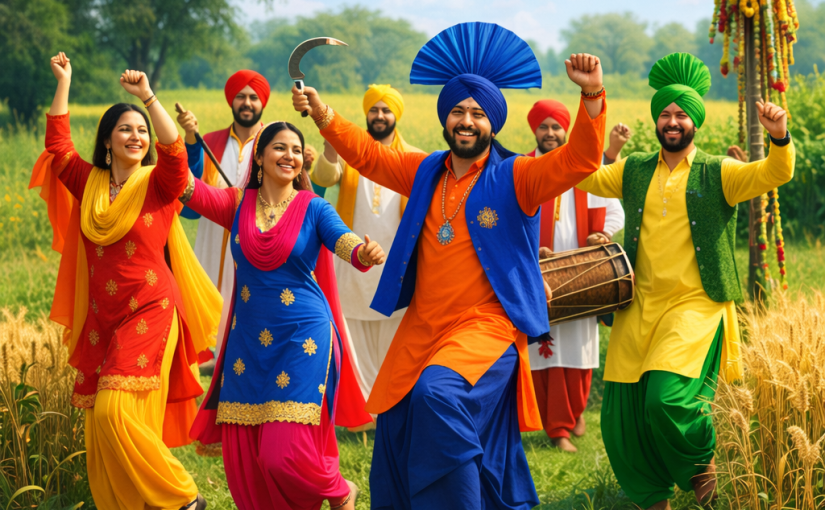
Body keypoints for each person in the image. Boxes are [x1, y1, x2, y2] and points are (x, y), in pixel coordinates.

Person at [294, 22, 607, 509]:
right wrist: (324, 114)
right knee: (395, 415)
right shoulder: (424, 170)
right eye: (458, 111)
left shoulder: (516, 176)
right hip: (424, 324)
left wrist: (591, 97)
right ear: (445, 118)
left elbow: (580, 160)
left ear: (493, 124)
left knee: (436, 397)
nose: (466, 121)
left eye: (478, 114)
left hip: (484, 326)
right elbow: (369, 156)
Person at [576, 52, 794, 509]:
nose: (672, 121)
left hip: (695, 305)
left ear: (694, 122)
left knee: (667, 400)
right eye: (665, 114)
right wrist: (592, 100)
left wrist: (779, 137)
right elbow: (585, 175)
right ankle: (656, 501)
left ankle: (704, 472)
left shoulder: (720, 172)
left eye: (681, 114)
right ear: (656, 120)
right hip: (638, 305)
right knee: (624, 416)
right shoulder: (634, 168)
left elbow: (775, 173)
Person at [31, 52, 222, 510]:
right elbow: (58, 147)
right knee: (101, 424)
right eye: (125, 129)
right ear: (108, 140)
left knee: (117, 410)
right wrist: (65, 81)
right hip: (104, 319)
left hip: (152, 309)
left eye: (142, 130)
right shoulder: (90, 183)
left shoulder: (158, 183)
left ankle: (183, 498)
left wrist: (147, 98)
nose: (136, 136)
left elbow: (176, 152)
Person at [186, 121, 384, 510]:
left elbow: (344, 243)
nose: (289, 156)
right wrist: (153, 106)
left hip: (303, 337)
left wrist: (364, 253)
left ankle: (340, 492)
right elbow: (185, 188)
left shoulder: (314, 207)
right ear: (259, 157)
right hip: (249, 343)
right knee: (251, 459)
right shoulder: (236, 204)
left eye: (296, 149)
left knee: (281, 454)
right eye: (279, 147)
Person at [524, 100, 628, 453]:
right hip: (538, 275)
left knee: (579, 352)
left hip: (582, 273)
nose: (550, 133)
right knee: (543, 350)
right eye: (544, 127)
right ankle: (558, 428)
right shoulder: (522, 168)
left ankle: (572, 413)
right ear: (534, 130)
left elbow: (615, 210)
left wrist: (604, 234)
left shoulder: (586, 165)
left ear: (565, 130)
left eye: (556, 127)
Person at [310, 84, 423, 406]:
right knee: (353, 333)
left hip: (396, 263)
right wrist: (332, 145)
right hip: (352, 262)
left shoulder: (414, 157)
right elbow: (323, 177)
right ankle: (360, 410)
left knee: (393, 335)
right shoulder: (350, 155)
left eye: (386, 110)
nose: (379, 115)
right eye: (374, 109)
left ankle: (387, 402)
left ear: (396, 115)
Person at [176, 70, 269, 363]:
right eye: (241, 96)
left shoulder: (275, 144)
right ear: (232, 101)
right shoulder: (209, 142)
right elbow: (189, 200)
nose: (247, 102)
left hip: (256, 247)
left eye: (253, 97)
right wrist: (191, 141)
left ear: (262, 102)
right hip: (212, 246)